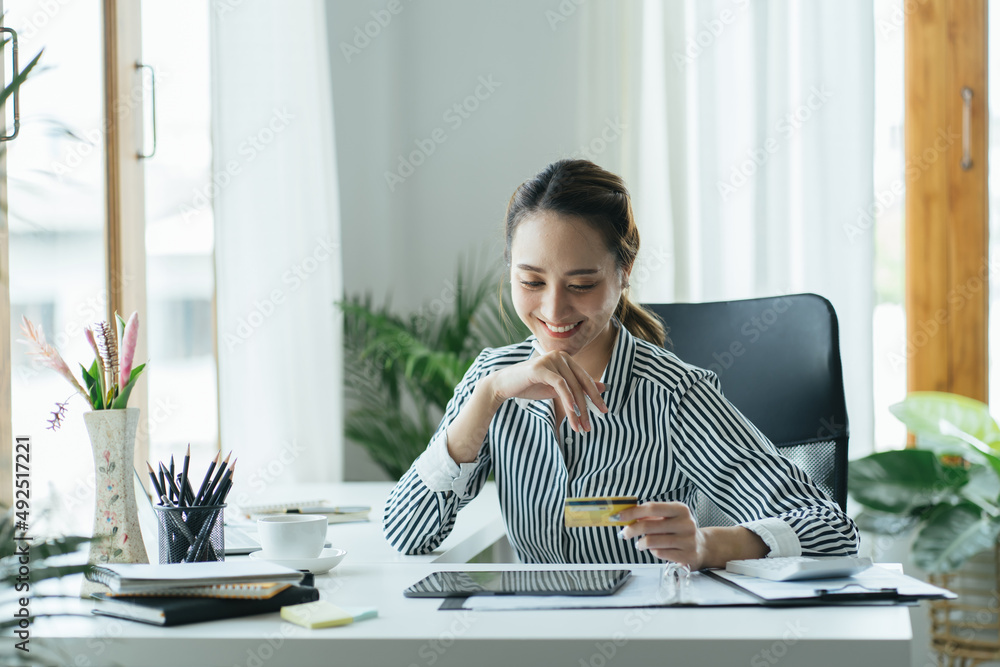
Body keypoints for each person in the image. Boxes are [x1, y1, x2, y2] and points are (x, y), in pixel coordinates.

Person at [383, 159, 858, 569]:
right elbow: (406, 534)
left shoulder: (674, 395)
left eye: (582, 284)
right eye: (530, 281)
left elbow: (832, 532)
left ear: (623, 273)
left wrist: (708, 543)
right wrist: (487, 397)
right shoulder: (492, 383)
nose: (553, 310)